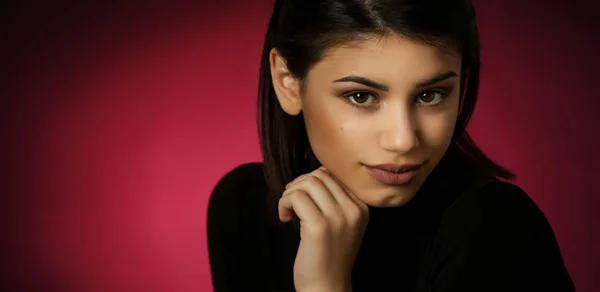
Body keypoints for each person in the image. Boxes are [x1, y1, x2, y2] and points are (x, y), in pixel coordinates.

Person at [206, 0, 575, 291]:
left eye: (431, 95)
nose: (403, 140)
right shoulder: (245, 209)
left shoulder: (494, 229)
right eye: (362, 96)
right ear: (287, 81)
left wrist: (325, 287)